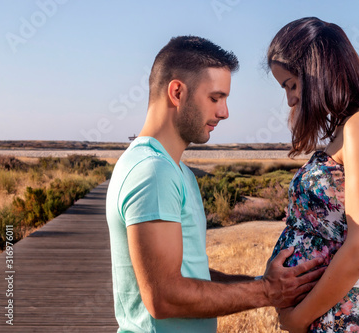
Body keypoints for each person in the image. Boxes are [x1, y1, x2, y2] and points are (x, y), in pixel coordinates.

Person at [105, 35, 325, 332]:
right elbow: (164, 297)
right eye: (215, 98)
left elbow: (189, 275)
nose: (224, 112)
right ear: (177, 92)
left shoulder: (175, 170)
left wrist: (268, 286)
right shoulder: (153, 172)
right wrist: (266, 292)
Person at [266, 17, 359, 332]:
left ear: (318, 70)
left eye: (291, 84)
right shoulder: (353, 124)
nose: (289, 99)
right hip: (334, 308)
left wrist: (297, 318)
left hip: (349, 311)